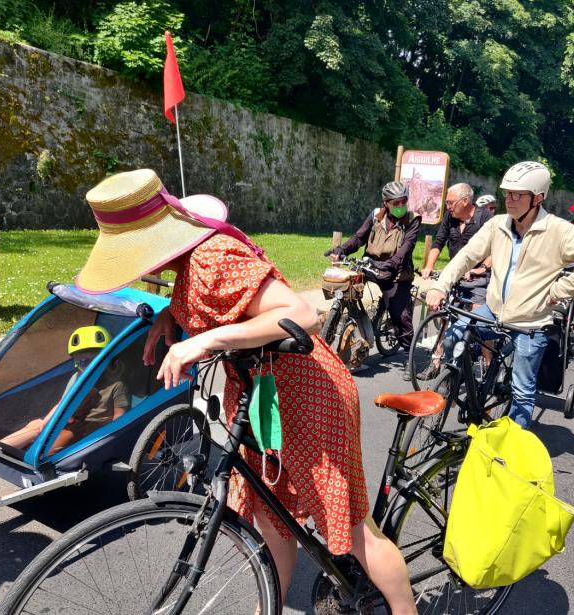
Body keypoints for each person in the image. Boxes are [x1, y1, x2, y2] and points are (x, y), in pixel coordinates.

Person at [74, 169, 416, 613]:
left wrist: (207, 339)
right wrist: (171, 319)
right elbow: (207, 304)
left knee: (351, 529)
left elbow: (300, 314)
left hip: (309, 394)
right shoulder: (186, 260)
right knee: (271, 518)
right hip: (261, 396)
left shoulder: (215, 257)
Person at [425, 161, 574, 429]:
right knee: (453, 338)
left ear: (538, 198)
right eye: (507, 193)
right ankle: (471, 389)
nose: (509, 200)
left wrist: (560, 290)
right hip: (492, 311)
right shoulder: (497, 224)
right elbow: (467, 256)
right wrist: (440, 285)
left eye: (517, 194)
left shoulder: (558, 230)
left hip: (530, 322)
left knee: (522, 393)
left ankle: (509, 453)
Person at [1, 325, 129, 452]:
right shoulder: (77, 378)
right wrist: (46, 423)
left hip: (95, 427)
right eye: (82, 361)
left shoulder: (116, 385)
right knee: (35, 425)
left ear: (106, 359)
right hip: (73, 420)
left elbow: (119, 417)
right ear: (76, 362)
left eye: (94, 361)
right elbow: (63, 404)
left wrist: (107, 441)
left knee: (50, 441)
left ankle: (26, 454)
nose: (89, 367)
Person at [329, 181, 421, 351]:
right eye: (396, 202)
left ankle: (409, 355)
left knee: (400, 316)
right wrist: (342, 250)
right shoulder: (376, 215)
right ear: (386, 203)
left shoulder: (412, 220)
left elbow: (407, 247)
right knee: (344, 289)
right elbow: (359, 238)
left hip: (396, 272)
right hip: (370, 265)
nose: (401, 205)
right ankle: (337, 326)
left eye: (404, 201)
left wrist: (390, 264)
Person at [420, 183, 493, 309]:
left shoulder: (485, 217)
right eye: (446, 203)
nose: (448, 207)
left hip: (477, 280)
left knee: (476, 315)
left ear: (465, 201)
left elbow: (495, 248)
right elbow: (439, 242)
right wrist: (429, 266)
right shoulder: (450, 216)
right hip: (455, 274)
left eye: (450, 203)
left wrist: (481, 269)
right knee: (439, 309)